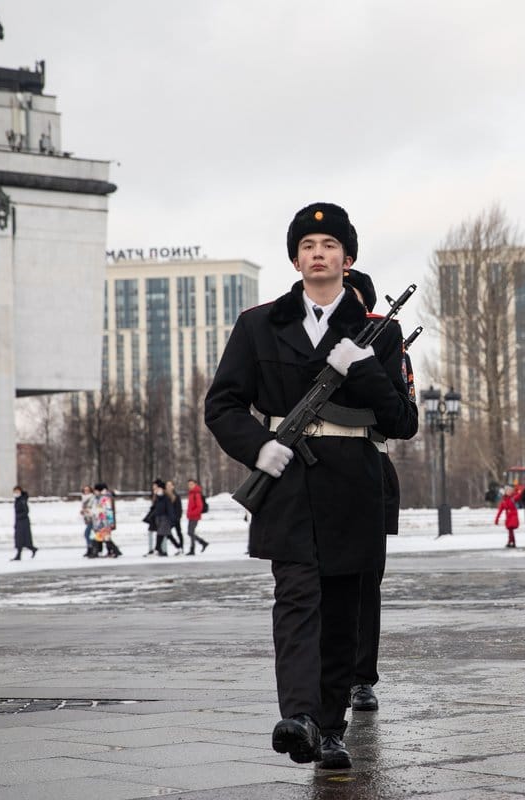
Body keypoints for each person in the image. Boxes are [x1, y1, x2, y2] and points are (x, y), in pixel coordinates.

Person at [205, 202, 417, 770]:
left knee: (343, 613)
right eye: (307, 246)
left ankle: (328, 727)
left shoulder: (381, 331)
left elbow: (402, 421)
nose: (317, 254)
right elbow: (222, 403)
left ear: (348, 258)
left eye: (329, 245)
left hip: (354, 485)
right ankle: (298, 716)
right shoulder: (258, 324)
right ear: (295, 259)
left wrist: (367, 367)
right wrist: (258, 446)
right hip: (289, 481)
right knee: (296, 602)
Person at [341, 267, 416, 716]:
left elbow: (403, 417)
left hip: (369, 464)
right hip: (316, 470)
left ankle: (361, 677)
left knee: (366, 583)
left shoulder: (388, 342)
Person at [93, 482, 122, 558]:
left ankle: (115, 551)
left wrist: (110, 522)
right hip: (101, 520)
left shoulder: (105, 498)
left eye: (96, 490)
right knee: (102, 537)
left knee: (105, 537)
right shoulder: (99, 498)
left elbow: (108, 510)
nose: (94, 492)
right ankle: (112, 551)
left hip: (104, 521)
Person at [11, 485, 37, 560]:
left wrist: (20, 516)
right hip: (19, 522)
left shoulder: (22, 500)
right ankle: (24, 553)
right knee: (19, 540)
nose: (15, 493)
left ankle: (21, 554)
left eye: (17, 492)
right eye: (15, 492)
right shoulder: (18, 500)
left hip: (23, 522)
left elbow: (26, 511)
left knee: (23, 540)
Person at [185, 479, 209, 555]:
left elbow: (199, 507)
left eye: (192, 484)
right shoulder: (191, 493)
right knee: (190, 532)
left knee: (190, 532)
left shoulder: (196, 494)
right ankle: (201, 544)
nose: (190, 486)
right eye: (189, 484)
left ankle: (198, 546)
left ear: (195, 484)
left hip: (194, 516)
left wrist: (192, 513)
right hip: (191, 516)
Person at [166, 480, 185, 552]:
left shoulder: (176, 496)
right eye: (167, 485)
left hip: (176, 518)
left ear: (173, 487)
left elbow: (179, 508)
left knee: (179, 533)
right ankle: (178, 546)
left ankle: (181, 548)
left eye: (170, 485)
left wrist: (178, 517)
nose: (169, 487)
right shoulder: (165, 496)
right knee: (167, 533)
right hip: (168, 519)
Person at [80, 485, 98, 557]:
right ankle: (90, 549)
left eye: (87, 490)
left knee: (87, 534)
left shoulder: (93, 498)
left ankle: (92, 549)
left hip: (93, 519)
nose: (86, 491)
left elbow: (95, 508)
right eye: (85, 490)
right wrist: (83, 512)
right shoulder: (83, 498)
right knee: (92, 535)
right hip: (87, 518)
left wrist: (88, 511)